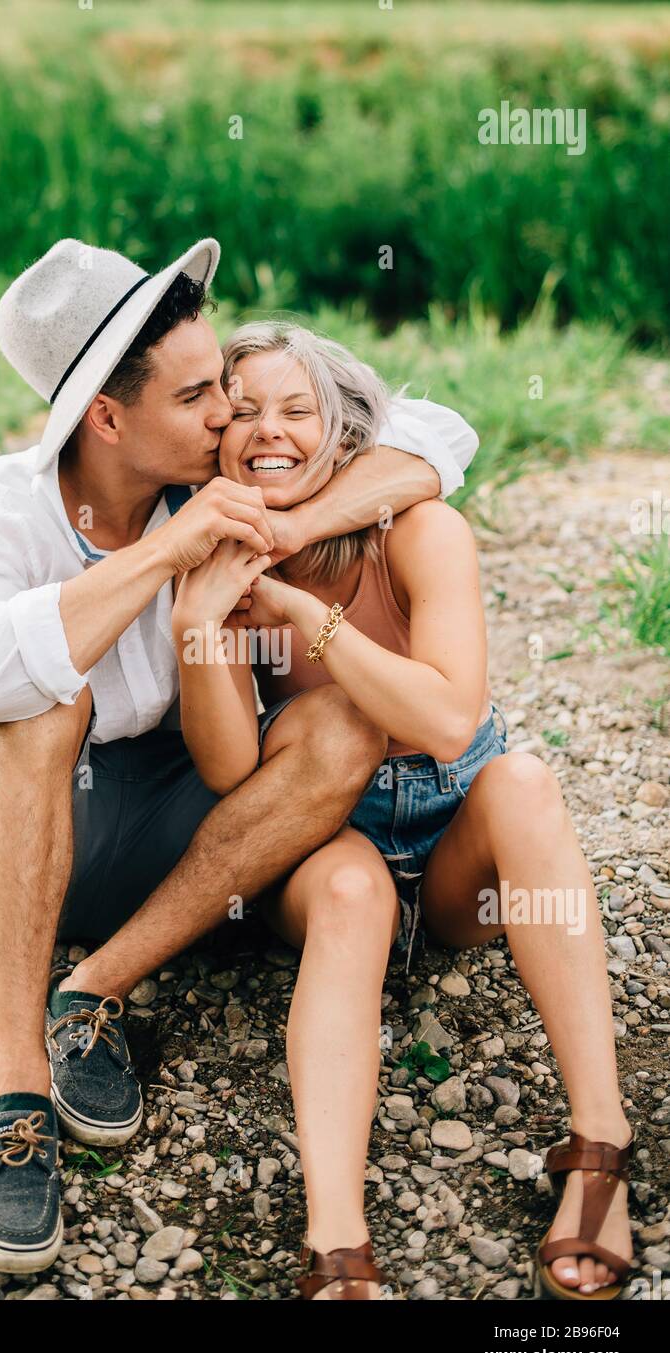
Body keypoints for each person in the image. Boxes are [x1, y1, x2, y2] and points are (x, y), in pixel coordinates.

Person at [0, 237, 479, 1273]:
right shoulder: (6, 506)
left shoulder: (207, 477)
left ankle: (91, 987)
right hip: (17, 829)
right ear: (107, 418)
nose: (227, 413)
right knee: (43, 695)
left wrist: (297, 517)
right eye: (199, 395)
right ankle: (14, 1083)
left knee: (340, 725)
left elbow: (438, 434)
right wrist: (164, 561)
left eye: (222, 381)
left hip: (169, 827)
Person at [171, 321, 636, 1301]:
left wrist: (307, 618)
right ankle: (336, 1246)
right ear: (215, 437)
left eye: (297, 410)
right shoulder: (213, 557)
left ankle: (599, 1145)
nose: (269, 432)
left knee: (523, 782)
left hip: (456, 827)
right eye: (244, 412)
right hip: (328, 841)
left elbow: (442, 717)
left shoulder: (419, 530)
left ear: (344, 429)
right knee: (348, 888)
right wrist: (197, 624)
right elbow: (227, 772)